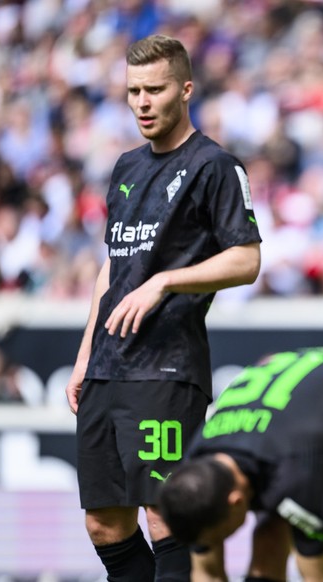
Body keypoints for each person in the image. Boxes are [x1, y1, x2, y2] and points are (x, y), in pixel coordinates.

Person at [64, 34, 262, 581]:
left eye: (155, 89)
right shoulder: (126, 167)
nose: (143, 102)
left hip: (168, 368)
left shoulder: (215, 165)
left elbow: (247, 259)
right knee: (104, 523)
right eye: (134, 92)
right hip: (108, 365)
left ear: (186, 89)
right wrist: (85, 356)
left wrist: (166, 283)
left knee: (165, 512)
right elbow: (114, 265)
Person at [157, 346, 323, 582]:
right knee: (269, 536)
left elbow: (319, 578)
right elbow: (207, 573)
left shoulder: (293, 475)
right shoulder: (196, 479)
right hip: (297, 430)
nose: (217, 544)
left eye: (219, 537)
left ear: (236, 500)